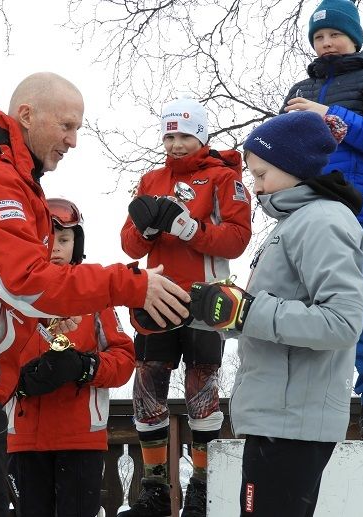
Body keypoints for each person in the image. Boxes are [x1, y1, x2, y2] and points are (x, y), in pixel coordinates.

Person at [0, 72, 190, 517]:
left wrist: (57, 339)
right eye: (67, 126)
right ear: (27, 115)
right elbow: (24, 282)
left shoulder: (15, 185)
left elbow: (3, 292)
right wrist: (132, 284)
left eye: (78, 128)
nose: (73, 140)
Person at [189, 110, 363, 517]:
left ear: (294, 166)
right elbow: (262, 315)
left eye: (262, 173)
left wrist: (246, 311)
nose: (256, 185)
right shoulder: (295, 223)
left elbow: (342, 322)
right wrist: (201, 310)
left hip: (292, 423)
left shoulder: (321, 221)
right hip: (277, 418)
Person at [118, 96, 252, 517]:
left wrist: (190, 228)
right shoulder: (149, 179)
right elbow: (128, 243)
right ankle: (154, 488)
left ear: (202, 135)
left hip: (205, 297)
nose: (176, 144)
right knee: (148, 386)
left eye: (185, 135)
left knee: (201, 389)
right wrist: (146, 228)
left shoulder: (223, 178)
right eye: (169, 135)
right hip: (155, 293)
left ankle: (203, 487)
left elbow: (237, 237)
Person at [281, 0, 363, 440]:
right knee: (299, 303)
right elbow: (280, 155)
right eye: (318, 37)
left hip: (356, 211)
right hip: (302, 212)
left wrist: (330, 117)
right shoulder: (300, 88)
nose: (326, 43)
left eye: (334, 34)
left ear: (354, 38)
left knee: (360, 304)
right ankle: (305, 403)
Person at [6, 197, 136, 517]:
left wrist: (85, 366)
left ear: (76, 244)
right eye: (47, 240)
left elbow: (124, 358)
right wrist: (17, 381)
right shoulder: (10, 297)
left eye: (64, 240)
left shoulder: (94, 296)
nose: (55, 248)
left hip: (79, 439)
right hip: (23, 440)